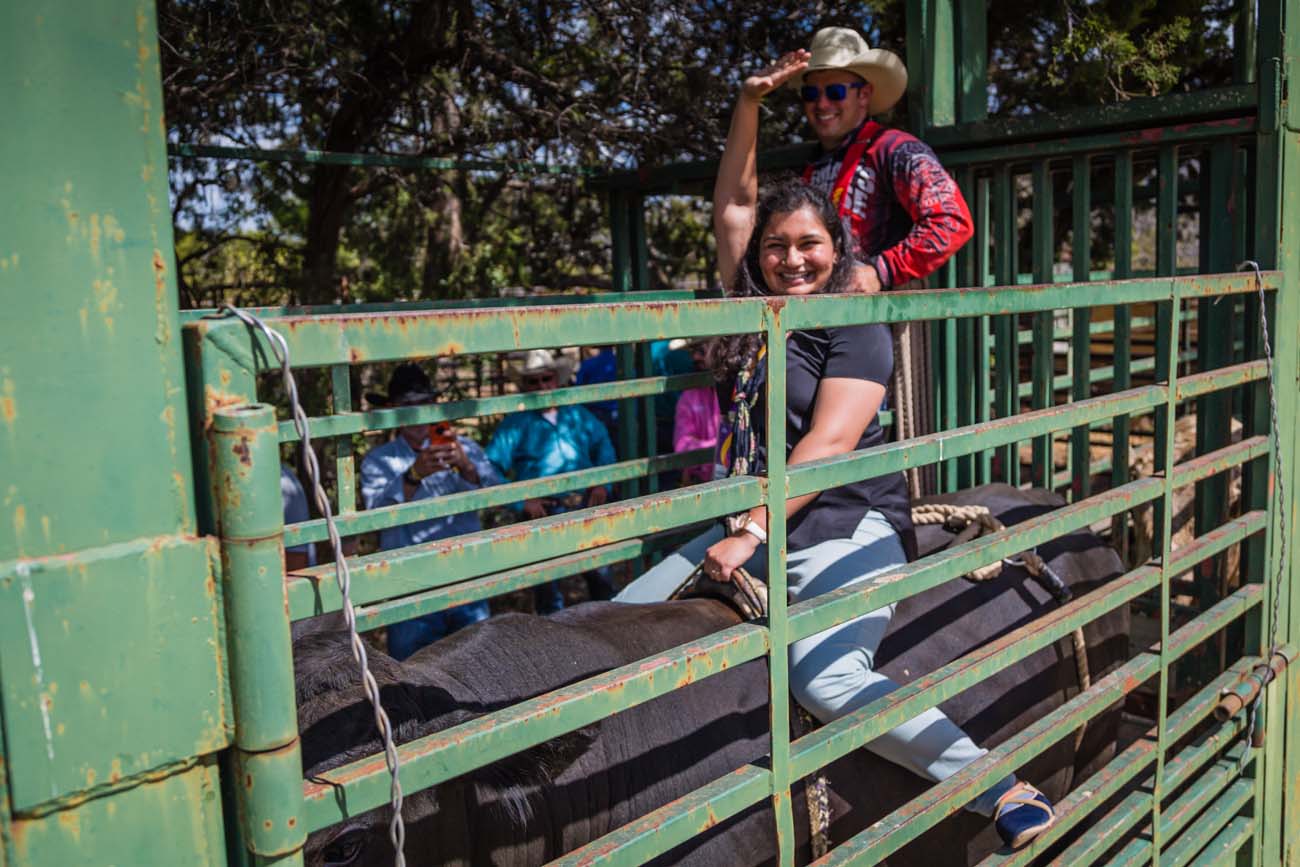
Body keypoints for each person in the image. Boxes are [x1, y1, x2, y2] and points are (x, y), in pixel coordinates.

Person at [614, 53, 1053, 845]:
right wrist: (749, 102)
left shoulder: (854, 317)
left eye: (810, 243)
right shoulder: (755, 308)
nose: (792, 258)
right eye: (778, 245)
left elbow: (831, 439)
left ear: (837, 247)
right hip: (748, 524)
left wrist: (751, 529)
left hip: (839, 528)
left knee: (824, 675)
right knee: (617, 626)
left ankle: (996, 784)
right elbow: (735, 206)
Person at [359, 363, 503, 659]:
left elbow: (497, 495)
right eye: (406, 405)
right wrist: (413, 475)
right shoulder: (377, 461)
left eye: (423, 403)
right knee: (411, 672)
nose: (416, 413)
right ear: (393, 410)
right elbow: (377, 515)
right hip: (410, 584)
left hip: (465, 575)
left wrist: (466, 466)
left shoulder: (463, 448)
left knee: (477, 663)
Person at [486, 349, 619, 613]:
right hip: (542, 511)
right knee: (548, 591)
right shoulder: (515, 423)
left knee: (600, 578)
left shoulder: (577, 415)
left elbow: (603, 445)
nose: (542, 386)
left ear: (556, 380)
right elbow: (489, 467)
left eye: (546, 379)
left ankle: (607, 631)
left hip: (583, 505)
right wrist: (521, 501)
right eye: (533, 382)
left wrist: (603, 482)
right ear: (525, 386)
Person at [672, 339, 721, 485]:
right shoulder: (689, 397)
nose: (695, 357)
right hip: (702, 482)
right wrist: (720, 445)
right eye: (693, 352)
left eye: (701, 350)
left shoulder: (734, 389)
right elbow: (682, 446)